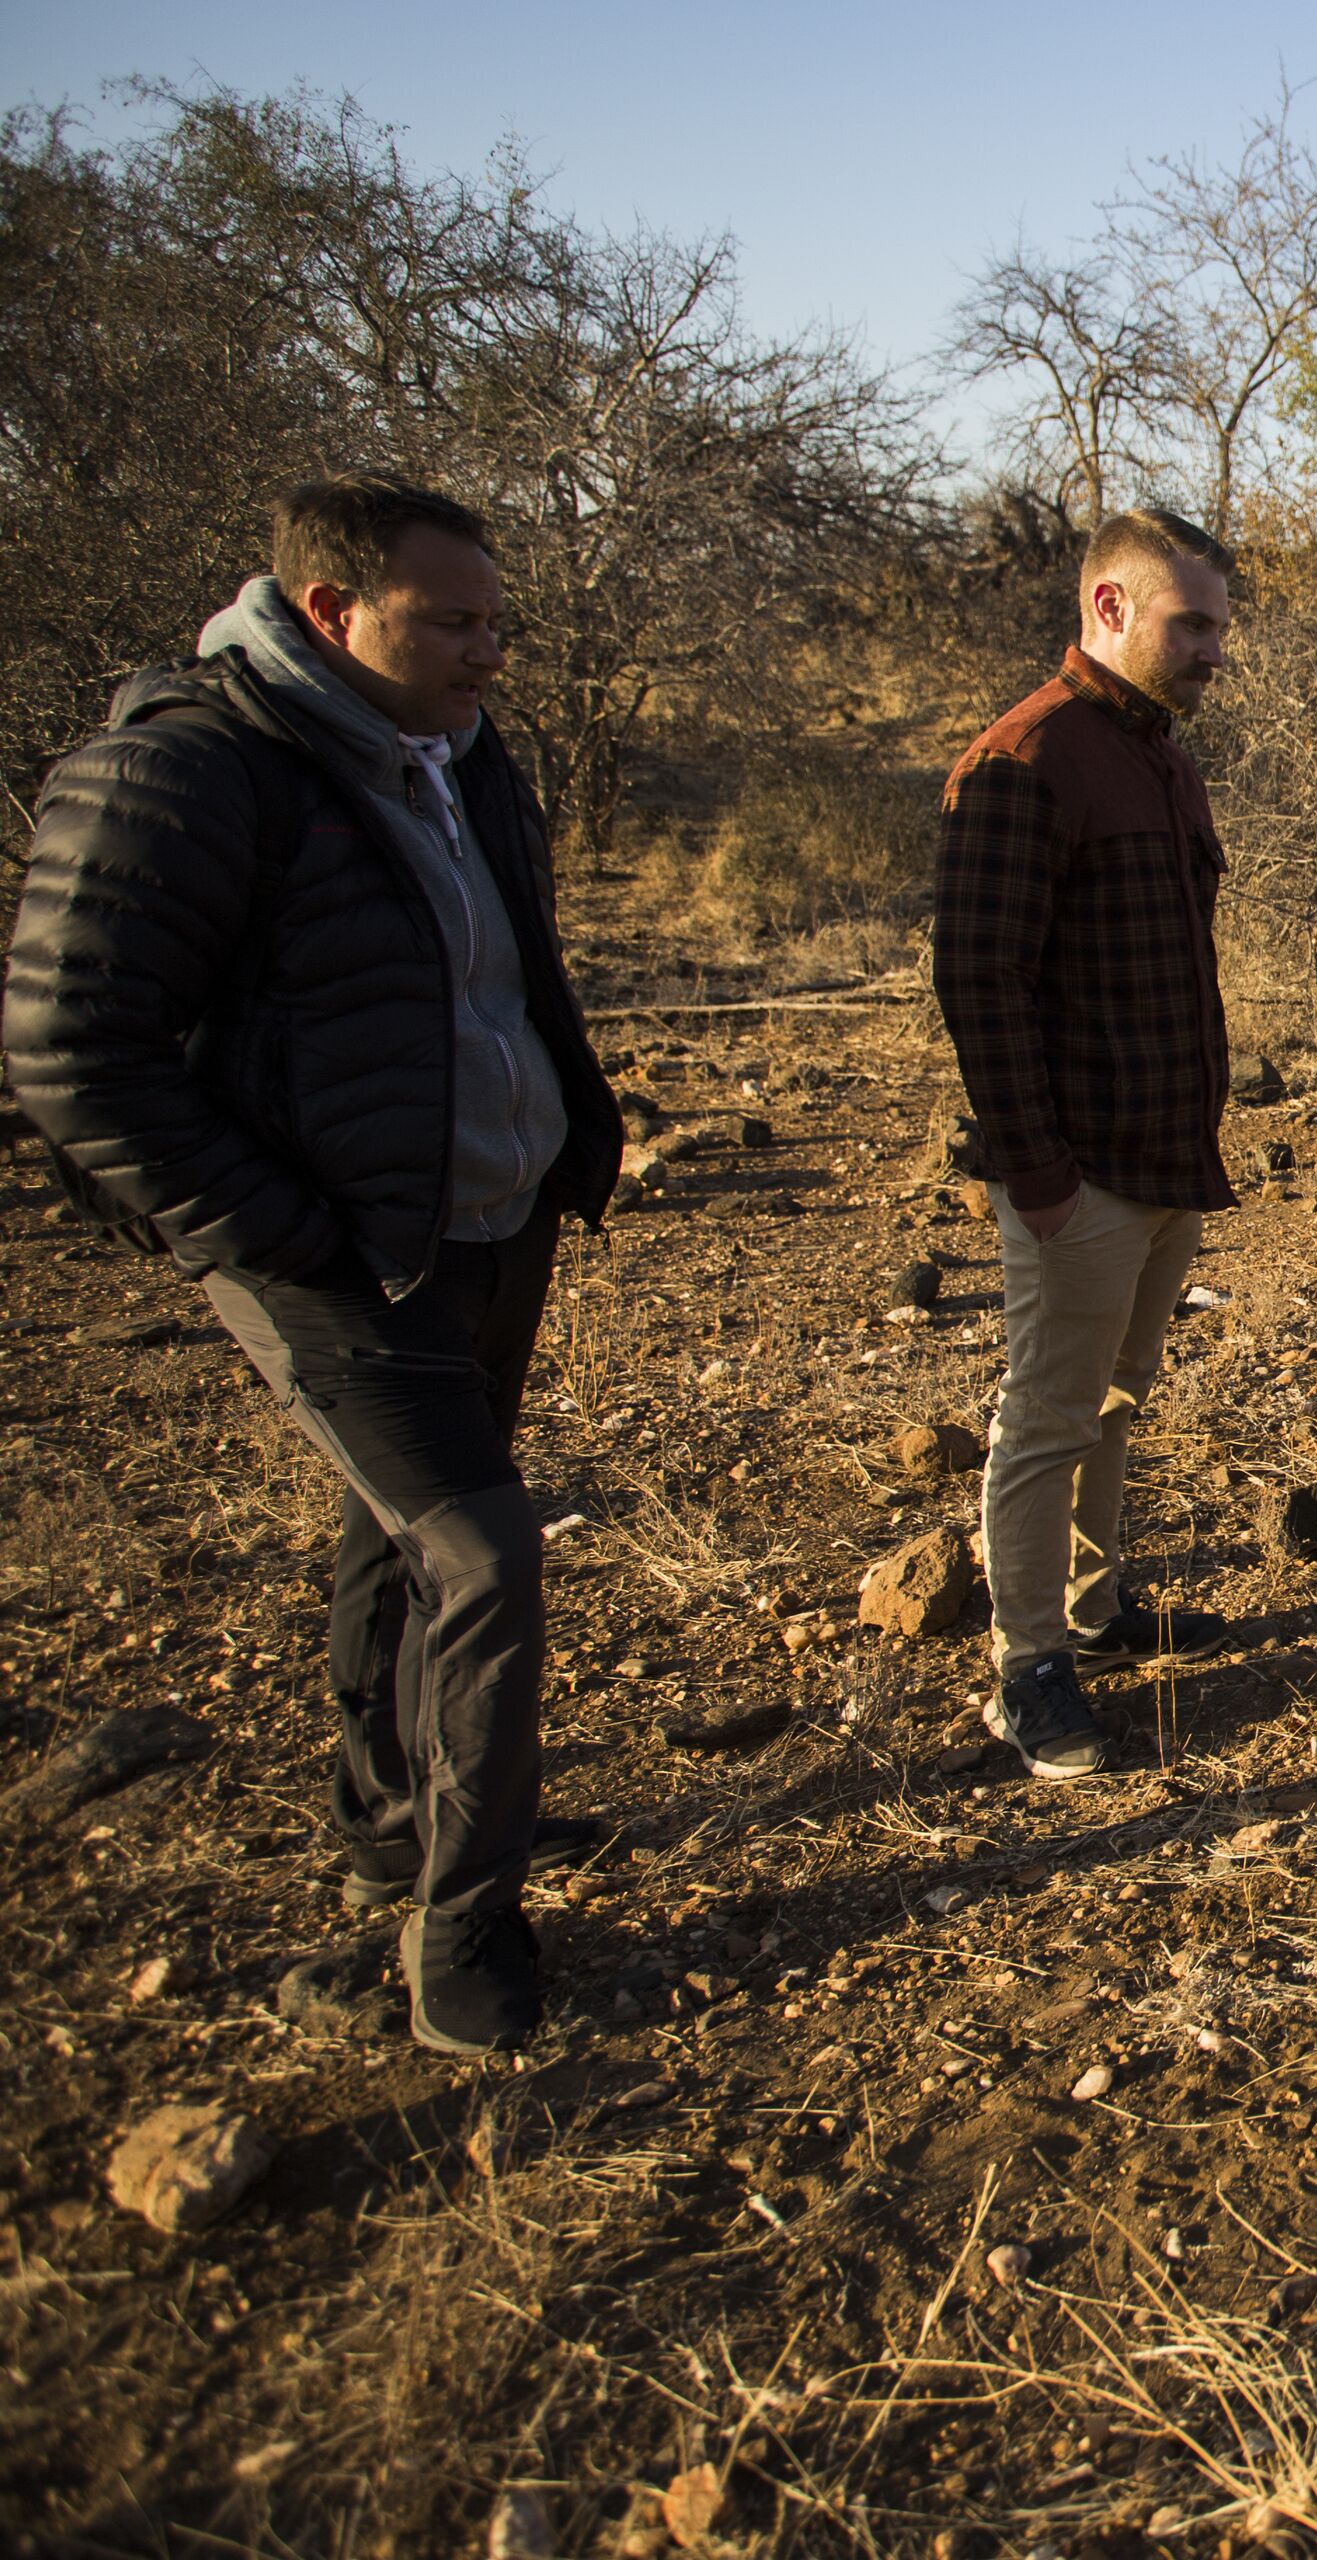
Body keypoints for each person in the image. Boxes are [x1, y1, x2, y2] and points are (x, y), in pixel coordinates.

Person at [5, 475, 625, 2052]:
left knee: (401, 1534)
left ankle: (393, 1829)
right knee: (487, 1556)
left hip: (488, 1220)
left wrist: (554, 1148)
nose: (491, 653)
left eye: (500, 622)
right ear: (335, 611)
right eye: (455, 622)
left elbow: (501, 976)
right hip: (344, 1253)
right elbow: (70, 1049)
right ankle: (462, 1929)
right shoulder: (192, 766)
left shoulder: (459, 753)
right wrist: (276, 1232)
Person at [933, 508, 1241, 1783]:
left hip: (1166, 1151)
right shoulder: (1022, 758)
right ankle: (1027, 1665)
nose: (1214, 649)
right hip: (1081, 1172)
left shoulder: (1160, 755)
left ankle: (1096, 1615)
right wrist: (1039, 1176)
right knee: (1049, 1415)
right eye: (1193, 624)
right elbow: (979, 979)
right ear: (1108, 609)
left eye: (1219, 624)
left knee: (1116, 1403)